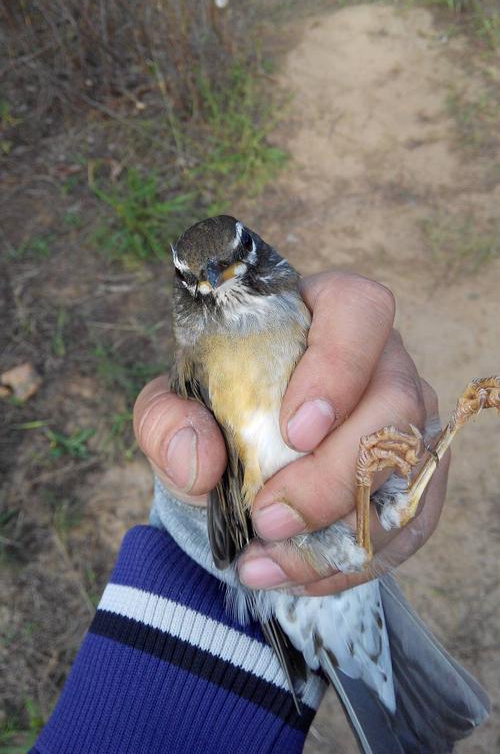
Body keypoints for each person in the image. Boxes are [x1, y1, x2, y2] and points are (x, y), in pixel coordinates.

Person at [30, 272, 449, 754]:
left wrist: (187, 527)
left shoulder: (267, 322)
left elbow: (227, 535)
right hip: (278, 588)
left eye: (237, 265)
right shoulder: (205, 360)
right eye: (198, 283)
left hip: (242, 610)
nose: (217, 284)